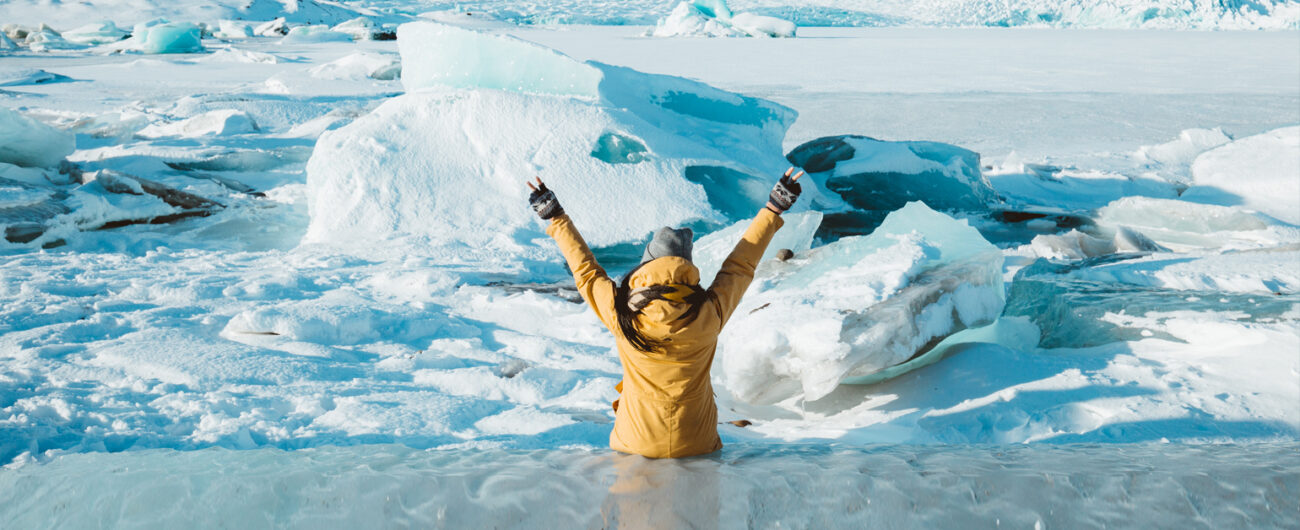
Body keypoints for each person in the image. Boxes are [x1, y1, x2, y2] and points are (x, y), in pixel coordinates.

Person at [526, 168, 803, 458]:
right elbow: (740, 265)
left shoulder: (623, 312)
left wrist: (555, 216)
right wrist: (774, 208)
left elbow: (585, 271)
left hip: (635, 443)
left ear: (647, 264)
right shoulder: (709, 312)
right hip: (697, 442)